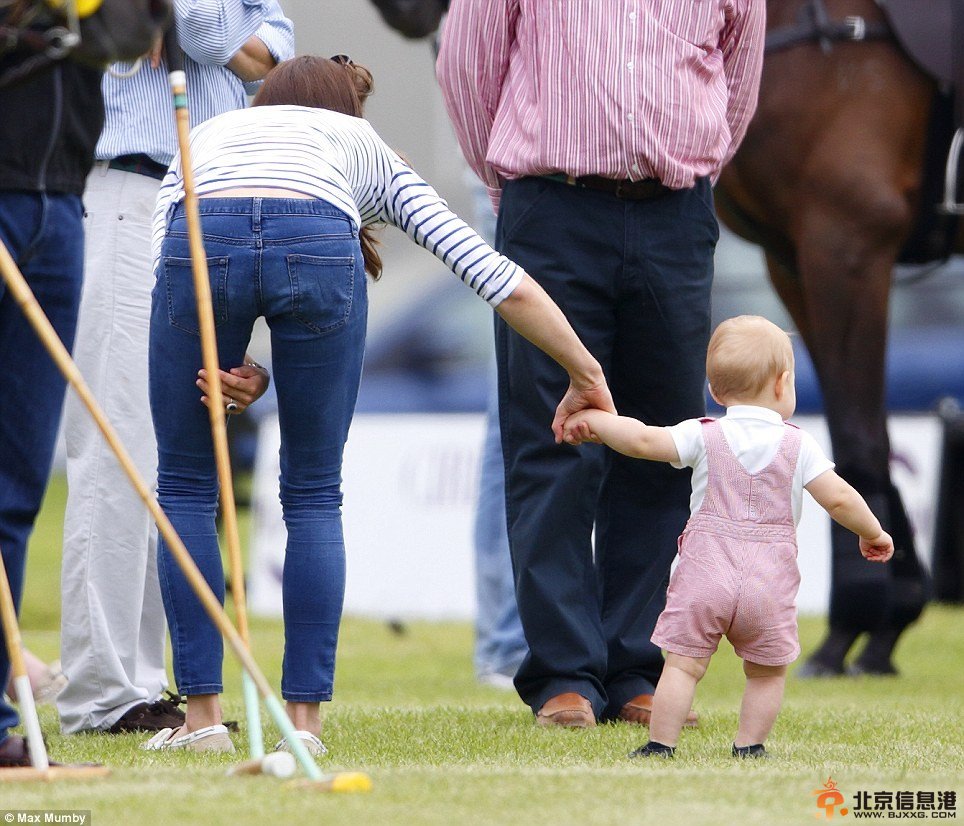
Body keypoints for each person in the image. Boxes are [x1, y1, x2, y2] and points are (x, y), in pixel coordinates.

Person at [140, 54, 613, 754]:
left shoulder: (210, 132)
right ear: (348, 109)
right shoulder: (364, 147)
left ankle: (202, 720)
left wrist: (224, 366)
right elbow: (493, 275)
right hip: (319, 244)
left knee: (184, 484)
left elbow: (167, 265)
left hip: (201, 229)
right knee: (311, 494)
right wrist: (584, 368)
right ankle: (303, 728)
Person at [437, 1, 766, 727]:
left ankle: (635, 670)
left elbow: (739, 83)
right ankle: (562, 676)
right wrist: (506, 189)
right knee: (550, 444)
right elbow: (465, 68)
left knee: (661, 447)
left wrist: (695, 166)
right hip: (551, 206)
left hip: (674, 213)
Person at [57, 0, 294, 737]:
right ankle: (102, 690)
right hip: (129, 189)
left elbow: (274, 61)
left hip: (212, 194)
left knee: (179, 454)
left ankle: (146, 675)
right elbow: (214, 35)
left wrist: (225, 35)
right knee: (117, 442)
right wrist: (222, 32)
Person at [560, 316, 894, 757]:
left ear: (716, 392)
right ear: (784, 384)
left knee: (682, 667)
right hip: (767, 581)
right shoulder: (800, 445)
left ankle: (660, 745)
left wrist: (597, 423)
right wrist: (873, 532)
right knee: (766, 674)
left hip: (705, 573)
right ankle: (749, 747)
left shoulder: (704, 434)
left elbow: (642, 440)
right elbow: (840, 500)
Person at [0, 0, 164, 770]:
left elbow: (132, 36)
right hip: (35, 189)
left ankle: (1, 728)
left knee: (18, 483)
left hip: (59, 199)